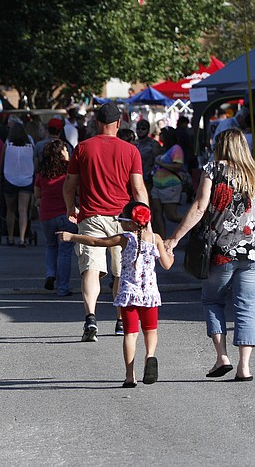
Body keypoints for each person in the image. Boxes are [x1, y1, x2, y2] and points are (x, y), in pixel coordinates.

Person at [164, 128, 255, 381]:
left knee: (213, 301)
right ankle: (244, 367)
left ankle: (222, 357)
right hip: (251, 252)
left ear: (220, 145)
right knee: (246, 307)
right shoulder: (253, 171)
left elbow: (200, 206)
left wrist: (175, 238)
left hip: (219, 251)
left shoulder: (213, 169)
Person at [59, 201, 173, 387]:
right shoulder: (156, 239)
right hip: (150, 294)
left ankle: (130, 375)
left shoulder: (124, 238)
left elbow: (97, 242)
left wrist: (72, 236)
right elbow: (167, 265)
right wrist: (171, 253)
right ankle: (150, 356)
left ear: (129, 223)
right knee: (150, 331)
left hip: (128, 294)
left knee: (130, 334)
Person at [64, 103, 148, 342]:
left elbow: (69, 186)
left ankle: (90, 317)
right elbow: (138, 189)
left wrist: (71, 207)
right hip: (123, 220)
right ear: (119, 123)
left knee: (90, 270)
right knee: (121, 271)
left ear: (96, 123)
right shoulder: (130, 151)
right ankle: (121, 320)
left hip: (90, 216)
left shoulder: (82, 148)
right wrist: (145, 219)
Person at [34, 140, 76, 297]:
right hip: (66, 214)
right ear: (61, 153)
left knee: (51, 246)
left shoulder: (42, 172)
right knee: (65, 252)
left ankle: (50, 274)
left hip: (46, 215)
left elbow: (37, 194)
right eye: (65, 150)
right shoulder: (69, 171)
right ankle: (62, 287)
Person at [0, 122, 35, 246]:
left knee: (10, 210)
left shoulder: (7, 145)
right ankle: (22, 238)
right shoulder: (30, 146)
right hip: (26, 179)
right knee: (23, 210)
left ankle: (10, 237)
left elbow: (2, 163)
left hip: (10, 178)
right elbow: (34, 163)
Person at [150, 127, 184, 236]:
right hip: (157, 186)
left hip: (170, 186)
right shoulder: (164, 148)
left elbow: (178, 165)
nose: (160, 136)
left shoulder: (176, 148)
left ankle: (196, 224)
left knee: (171, 216)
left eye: (162, 134)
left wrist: (161, 164)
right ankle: (161, 239)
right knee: (156, 213)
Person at [135, 119, 160, 191]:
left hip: (149, 177)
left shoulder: (153, 144)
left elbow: (157, 161)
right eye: (138, 128)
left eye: (143, 129)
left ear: (148, 130)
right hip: (136, 175)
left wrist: (151, 173)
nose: (140, 131)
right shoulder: (133, 143)